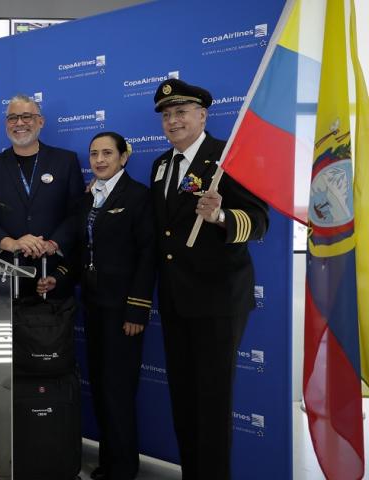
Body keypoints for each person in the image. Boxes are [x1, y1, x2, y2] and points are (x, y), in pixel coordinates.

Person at [149, 78, 268, 479]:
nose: (173, 120)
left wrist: (219, 217)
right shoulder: (161, 165)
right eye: (167, 115)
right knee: (184, 400)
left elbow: (259, 222)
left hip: (217, 300)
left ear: (203, 114)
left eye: (181, 112)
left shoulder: (229, 158)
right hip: (175, 300)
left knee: (213, 403)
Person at [37, 131, 155, 480]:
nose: (100, 160)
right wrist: (59, 278)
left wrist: (137, 308)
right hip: (94, 306)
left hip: (123, 312)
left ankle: (123, 470)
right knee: (103, 389)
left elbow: (148, 256)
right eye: (94, 154)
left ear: (124, 157)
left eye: (107, 153)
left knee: (118, 391)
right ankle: (110, 463)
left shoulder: (138, 197)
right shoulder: (88, 199)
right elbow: (80, 252)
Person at [0, 94, 84, 296]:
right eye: (13, 118)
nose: (19, 123)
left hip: (52, 274)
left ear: (40, 121)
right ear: (6, 124)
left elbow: (76, 214)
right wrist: (13, 244)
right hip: (5, 277)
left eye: (26, 116)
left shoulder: (65, 161)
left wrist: (52, 244)